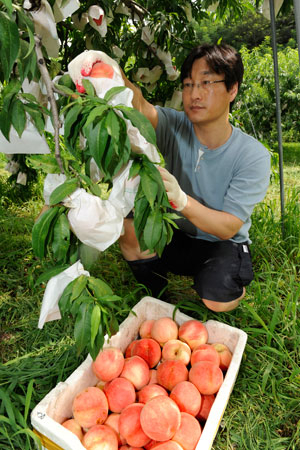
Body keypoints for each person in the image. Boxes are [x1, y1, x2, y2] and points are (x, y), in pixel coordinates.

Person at [118, 42, 271, 312]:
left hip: (221, 244)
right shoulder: (175, 125)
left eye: (206, 83)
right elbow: (139, 106)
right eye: (188, 85)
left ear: (232, 89)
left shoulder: (252, 155)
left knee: (218, 301)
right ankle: (158, 298)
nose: (194, 94)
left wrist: (180, 200)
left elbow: (228, 227)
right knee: (131, 226)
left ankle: (230, 275)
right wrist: (109, 72)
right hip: (176, 234)